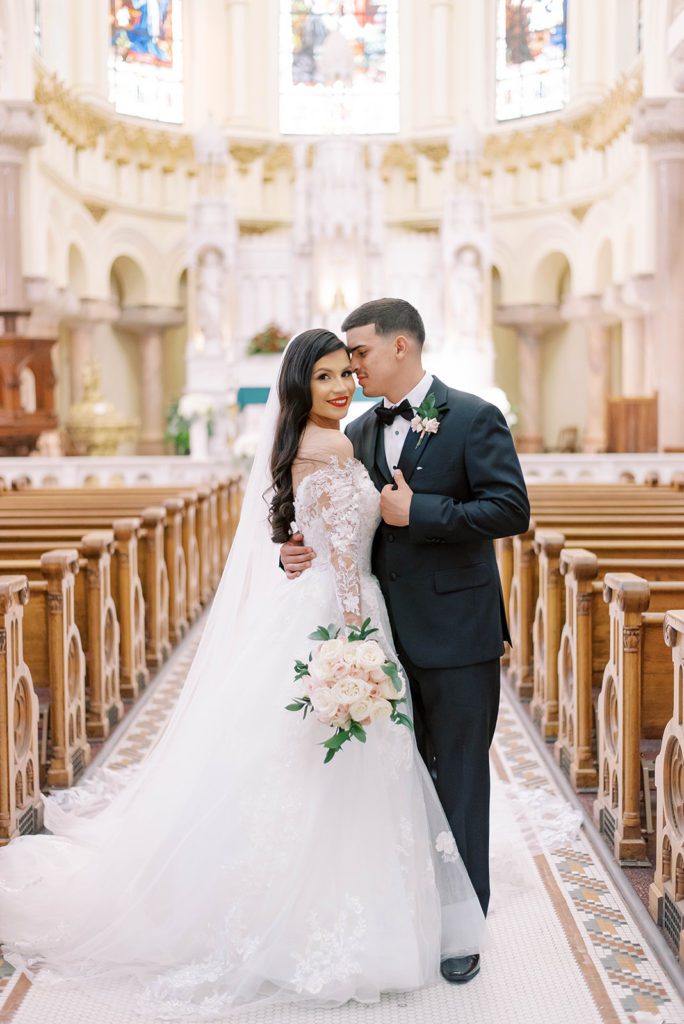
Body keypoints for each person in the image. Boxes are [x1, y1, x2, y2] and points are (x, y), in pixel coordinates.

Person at [0, 328, 485, 1019]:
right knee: (332, 762)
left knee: (312, 765)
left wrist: (312, 562)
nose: (341, 386)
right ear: (297, 386)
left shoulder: (318, 443)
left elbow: (318, 538)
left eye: (345, 372)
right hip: (342, 614)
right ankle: (337, 914)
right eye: (323, 378)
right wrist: (354, 641)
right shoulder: (334, 446)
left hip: (319, 605)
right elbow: (346, 560)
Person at [281, 299, 530, 984]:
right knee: (397, 780)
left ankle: (462, 927)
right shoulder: (354, 430)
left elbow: (512, 507)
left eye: (358, 352)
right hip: (378, 640)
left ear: (399, 346)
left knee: (460, 778)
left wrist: (422, 511)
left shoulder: (474, 416)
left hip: (457, 634)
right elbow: (335, 526)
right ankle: (413, 907)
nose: (351, 366)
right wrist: (294, 555)